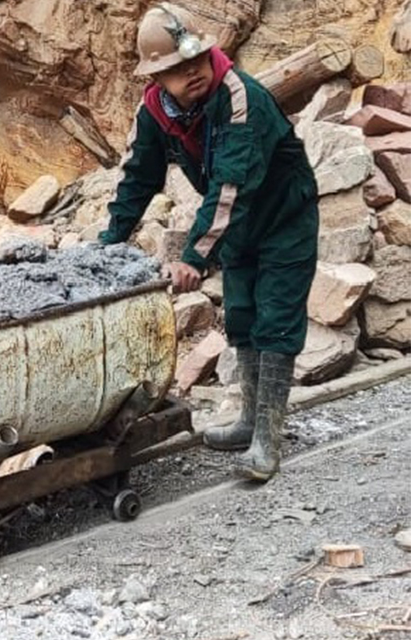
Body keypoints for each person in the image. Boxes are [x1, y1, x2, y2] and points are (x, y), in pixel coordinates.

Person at [99, 3, 319, 482]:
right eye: (176, 69)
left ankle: (267, 438)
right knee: (241, 314)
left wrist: (194, 254)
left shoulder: (241, 97)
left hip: (284, 216)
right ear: (156, 76)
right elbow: (138, 177)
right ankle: (247, 420)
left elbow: (230, 184)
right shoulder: (154, 112)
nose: (191, 73)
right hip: (238, 225)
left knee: (276, 317)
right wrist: (109, 243)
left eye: (195, 61)